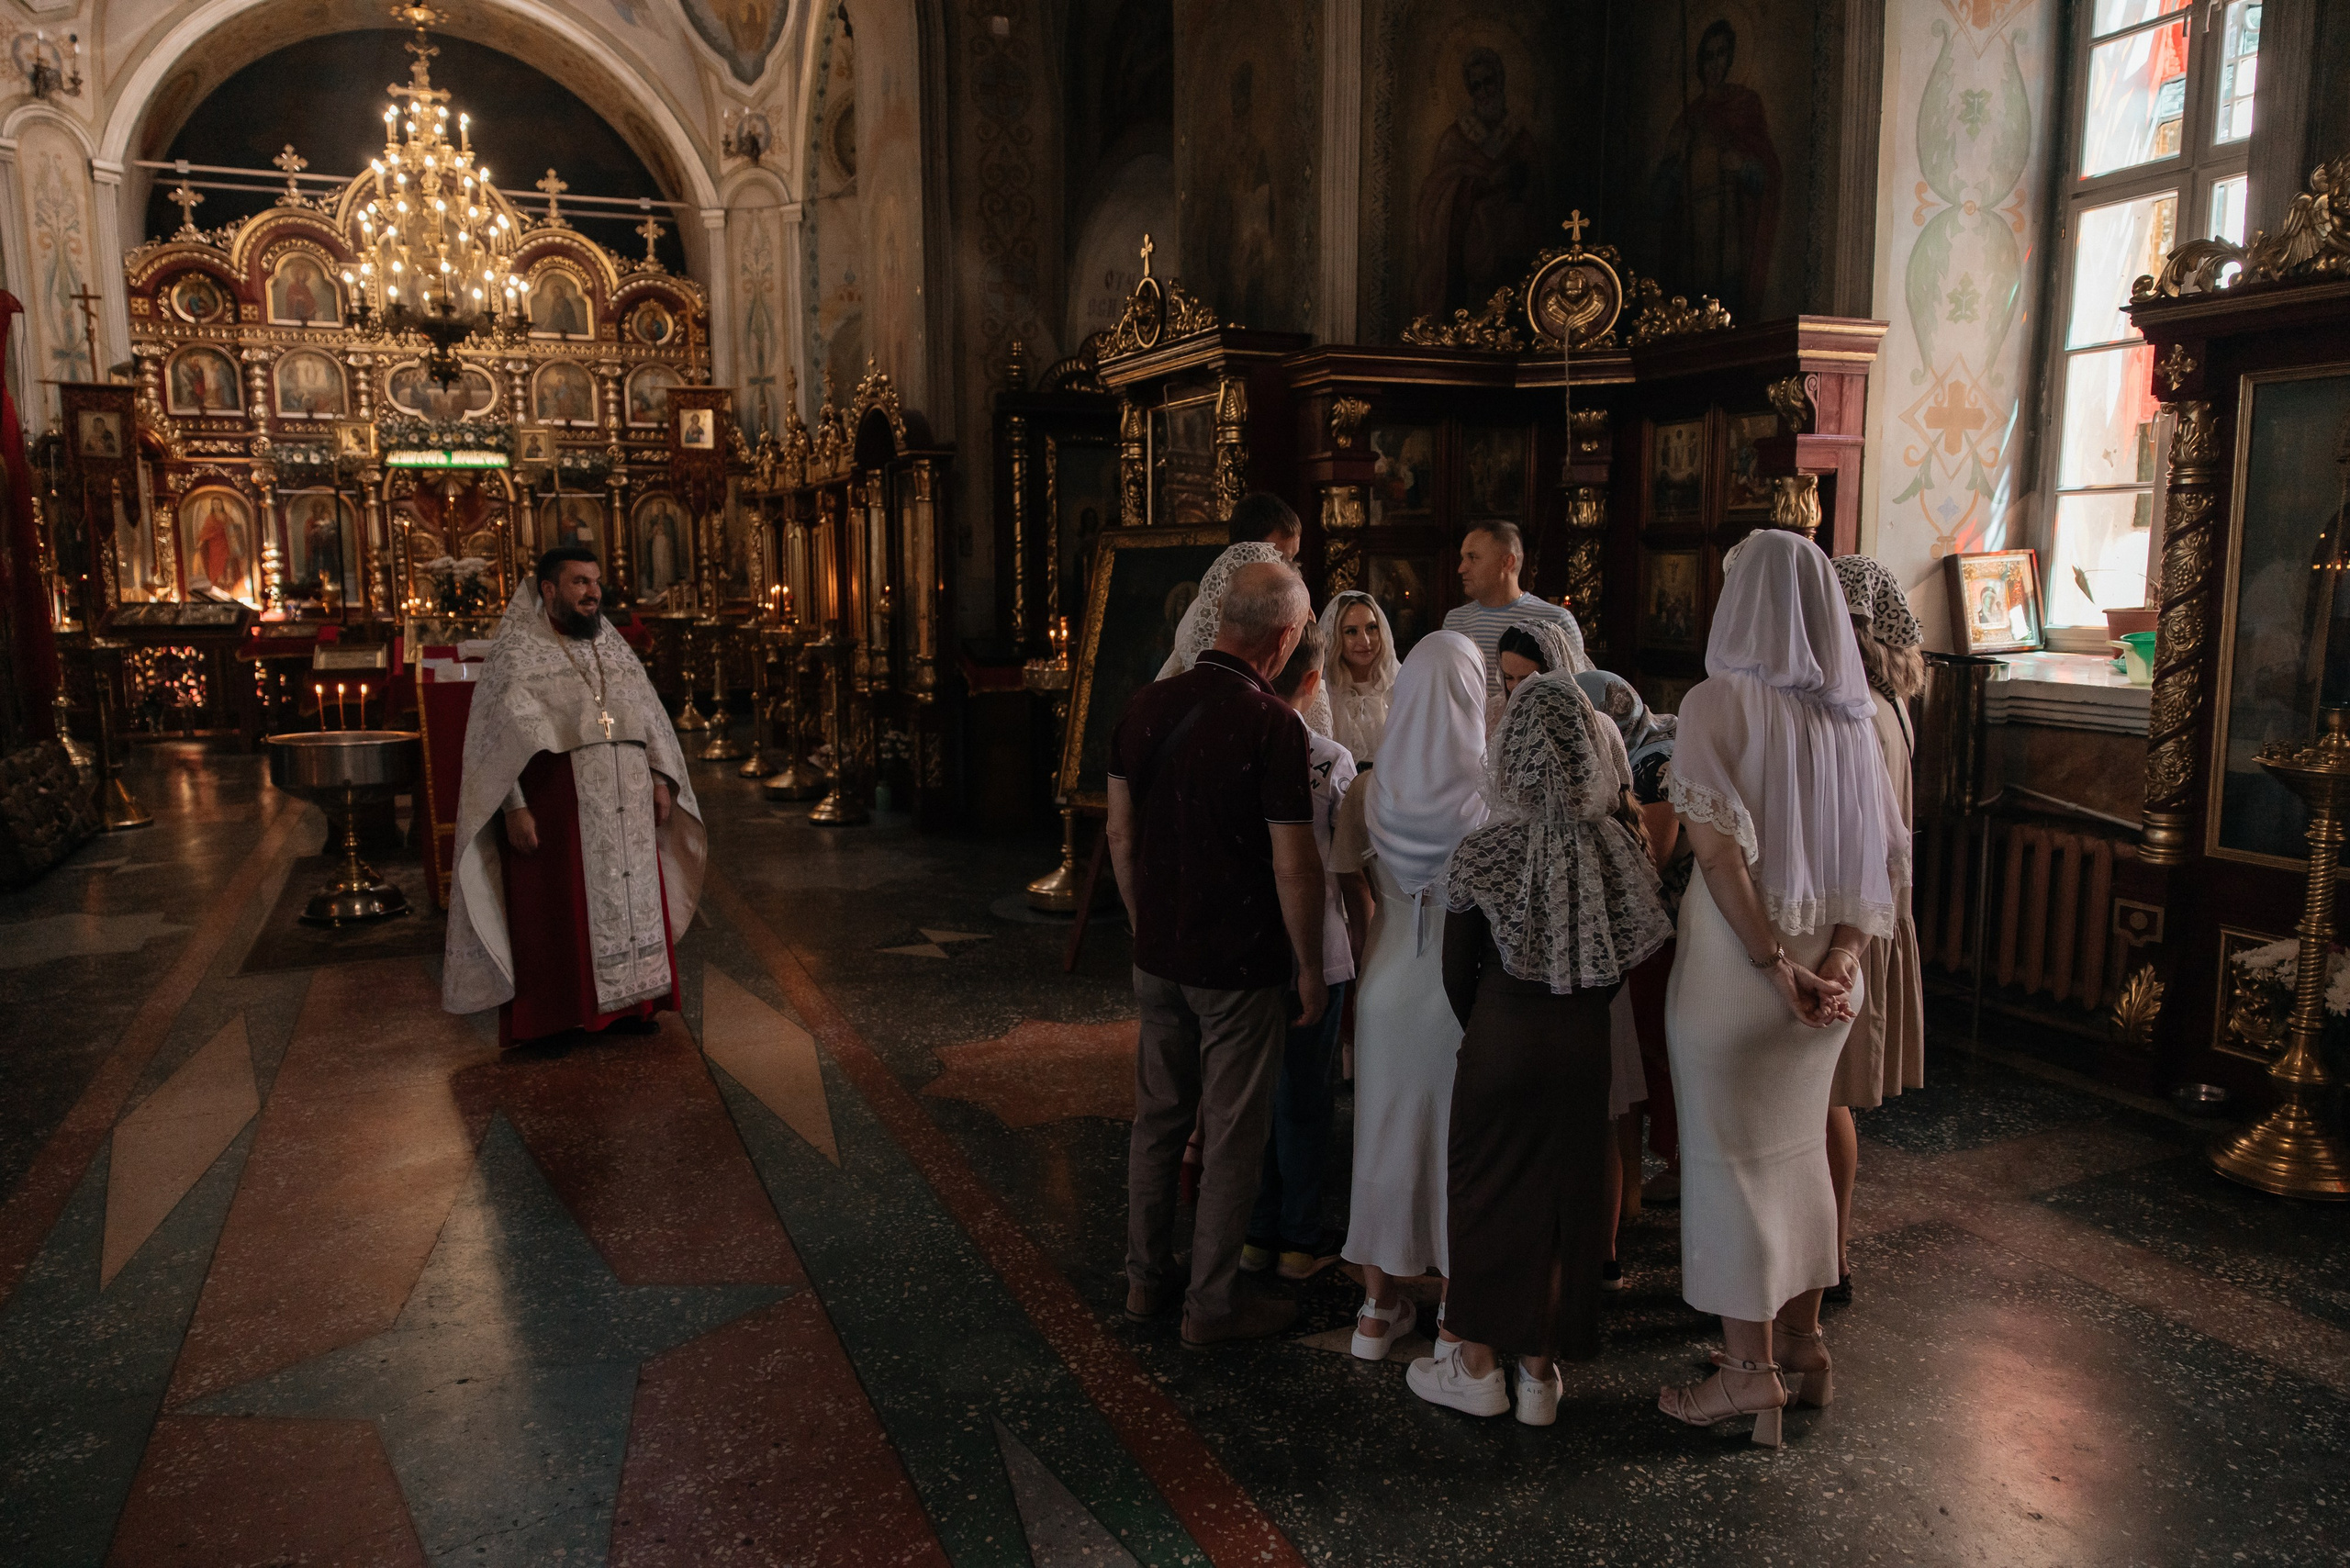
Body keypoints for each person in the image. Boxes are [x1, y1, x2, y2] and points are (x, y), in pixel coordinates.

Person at [1658, 530, 1906, 1447]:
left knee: (1727, 1167)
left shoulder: (1713, 704)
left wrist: (1773, 966)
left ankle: (1742, 1374)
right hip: (1829, 981)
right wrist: (1838, 960)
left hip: (1741, 971)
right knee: (1800, 1157)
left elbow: (1717, 857)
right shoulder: (1852, 719)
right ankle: (1804, 1347)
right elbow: (1875, 865)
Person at [1405, 669, 1671, 1423]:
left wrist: (1499, 1018)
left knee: (1487, 1192)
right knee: (1565, 1200)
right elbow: (1624, 963)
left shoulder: (1485, 848)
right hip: (1582, 1043)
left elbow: (1459, 975)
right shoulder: (1616, 845)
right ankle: (1539, 1373)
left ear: (1509, 749)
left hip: (1500, 1038)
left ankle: (1478, 1365)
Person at [1107, 560, 1326, 1348]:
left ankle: (1142, 1283)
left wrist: (1147, 924)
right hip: (1238, 966)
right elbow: (1294, 862)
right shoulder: (1273, 726)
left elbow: (1120, 835)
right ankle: (1211, 1307)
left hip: (1158, 955)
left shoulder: (1145, 705)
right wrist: (1309, 966)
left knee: (1157, 1119)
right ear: (1285, 636)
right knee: (1233, 1132)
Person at [442, 547, 705, 1046]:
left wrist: (658, 780)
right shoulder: (515, 651)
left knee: (631, 902)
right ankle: (558, 1017)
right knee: (562, 909)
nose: (593, 593)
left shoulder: (612, 645)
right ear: (548, 590)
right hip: (559, 804)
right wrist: (514, 806)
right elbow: (493, 742)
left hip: (628, 804)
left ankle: (635, 1003)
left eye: (595, 582)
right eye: (580, 583)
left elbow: (646, 716)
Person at [1332, 631, 1489, 1361]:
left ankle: (1375, 1310)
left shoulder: (1369, 787)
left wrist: (1372, 964)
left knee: (1384, 1144)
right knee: (1461, 1148)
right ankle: (1460, 1309)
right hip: (1464, 993)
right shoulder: (1490, 798)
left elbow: (1350, 890)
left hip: (1387, 983)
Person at [1242, 619, 1368, 1281]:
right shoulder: (1329, 757)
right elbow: (1347, 862)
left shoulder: (1242, 744)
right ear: (1315, 679)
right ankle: (1299, 1236)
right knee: (1306, 1096)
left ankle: (1255, 1231)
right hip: (1319, 942)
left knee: (1254, 1092)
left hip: (1252, 941)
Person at [1825, 554, 1929, 1304]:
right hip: (1878, 913)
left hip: (1855, 921)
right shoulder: (1892, 697)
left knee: (1824, 1095)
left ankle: (1830, 1254)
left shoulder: (1857, 707)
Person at [1576, 669, 1687, 1279]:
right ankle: (1630, 1200)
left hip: (1660, 933)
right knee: (1628, 1072)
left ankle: (1660, 1180)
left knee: (1649, 1062)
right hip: (1633, 938)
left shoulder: (1657, 762)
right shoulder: (1624, 761)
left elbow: (1655, 858)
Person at [1160, 493, 1335, 739]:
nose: (1289, 569)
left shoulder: (1285, 605)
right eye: (1281, 557)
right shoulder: (1205, 614)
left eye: (1293, 559)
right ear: (1248, 552)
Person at [1444, 521, 1589, 710]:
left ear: (1507, 562)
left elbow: (1576, 695)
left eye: (1472, 557)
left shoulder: (1555, 620)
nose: (1461, 568)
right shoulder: (1455, 621)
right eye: (1463, 558)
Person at [1320, 589, 1400, 765]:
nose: (1365, 641)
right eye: (1351, 632)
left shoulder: (1399, 684)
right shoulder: (1324, 692)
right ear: (1335, 636)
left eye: (1372, 628)